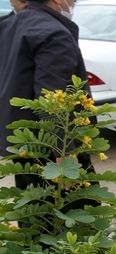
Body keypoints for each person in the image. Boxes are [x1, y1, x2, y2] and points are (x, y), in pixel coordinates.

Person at [0, 0, 95, 190]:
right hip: (48, 148)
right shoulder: (54, 33)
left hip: (22, 142)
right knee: (73, 210)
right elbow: (51, 99)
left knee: (33, 211)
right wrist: (64, 155)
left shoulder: (9, 25)